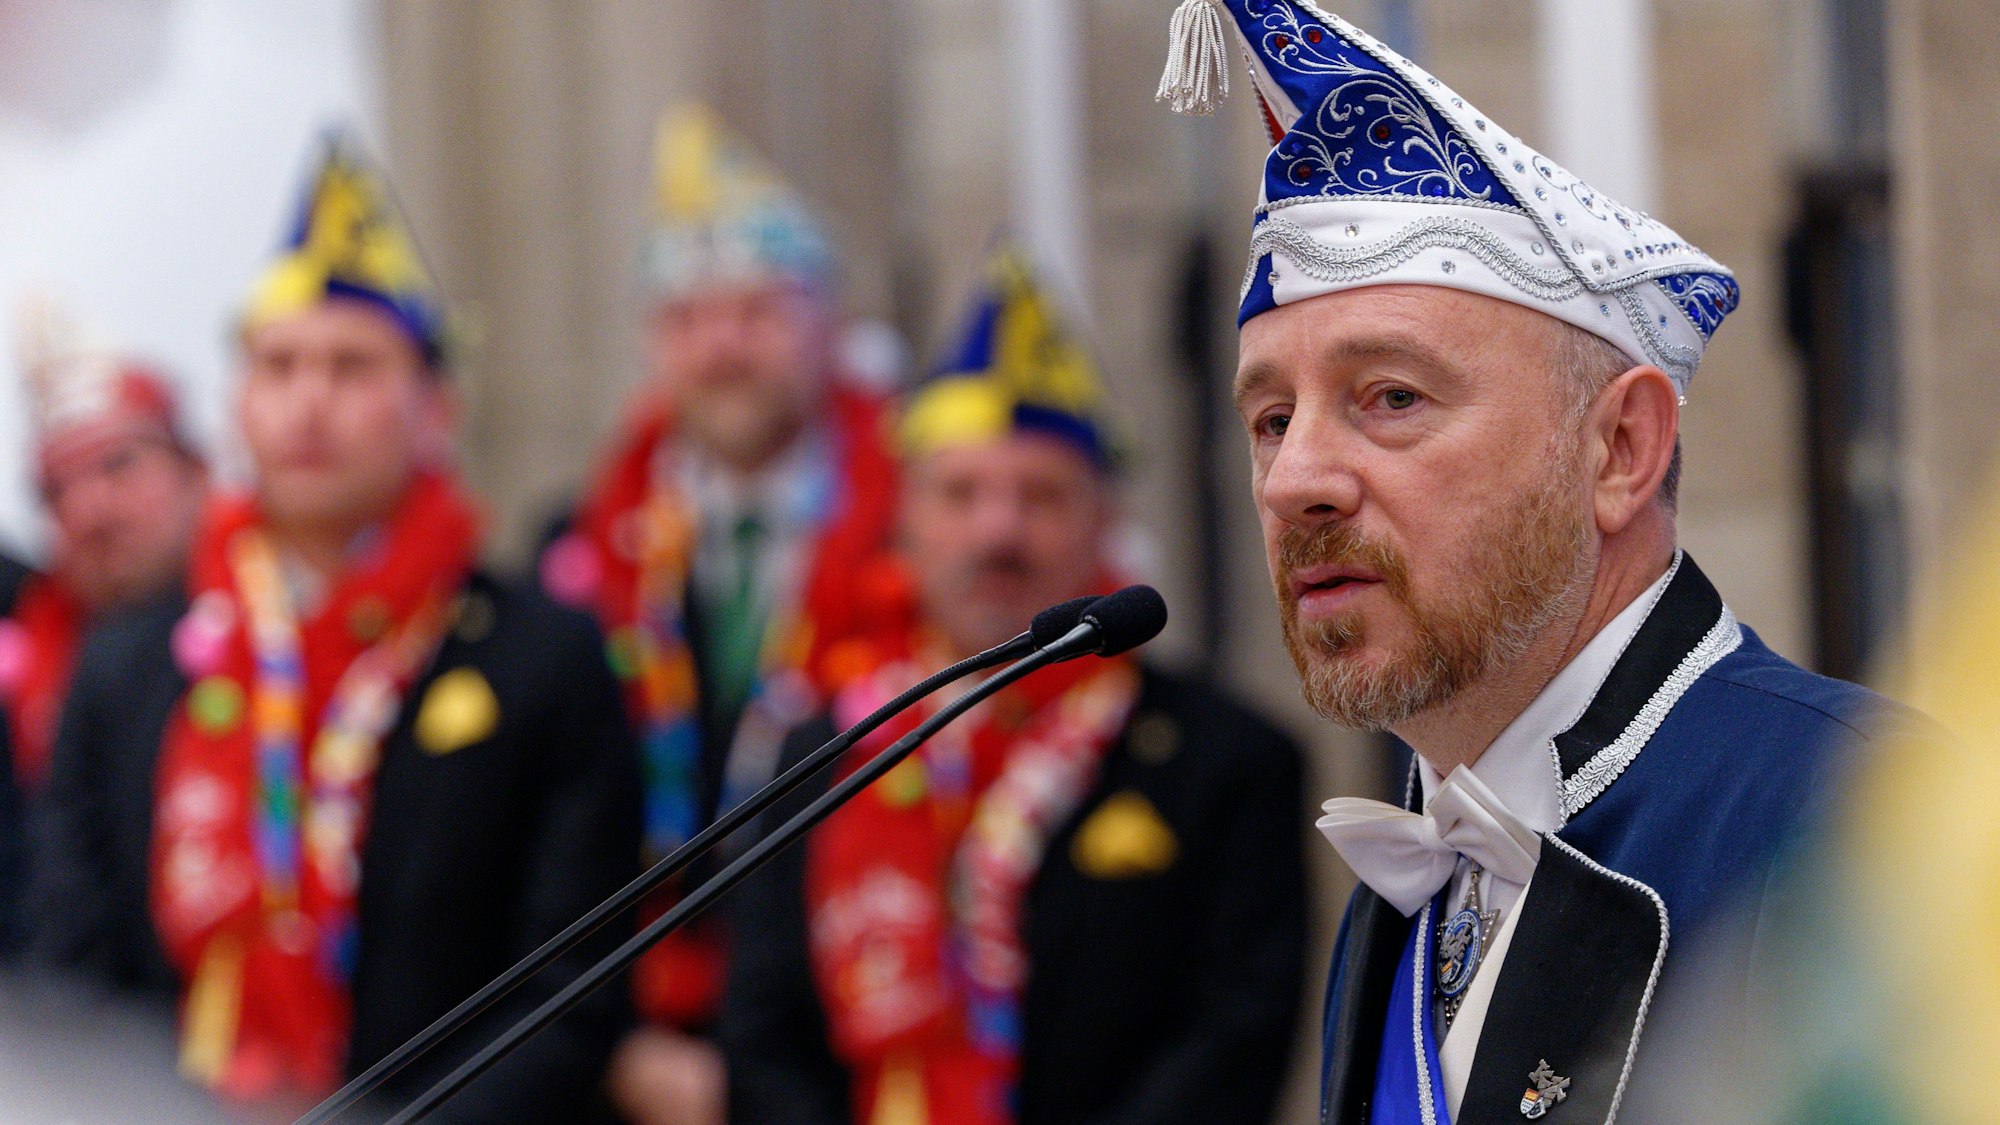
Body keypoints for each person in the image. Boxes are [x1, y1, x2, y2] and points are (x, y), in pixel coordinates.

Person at [1155, 4, 1888, 1122]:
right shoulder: (1415, 875)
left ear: (1618, 450)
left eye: (1389, 398)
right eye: (1266, 417)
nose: (1292, 478)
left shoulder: (1854, 824)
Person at [32, 134, 640, 1121]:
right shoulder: (133, 663)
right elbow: (73, 958)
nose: (309, 401)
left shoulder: (540, 654)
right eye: (279, 367)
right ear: (238, 407)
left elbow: (569, 992)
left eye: (352, 367)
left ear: (434, 405)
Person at [721, 248, 1308, 1125]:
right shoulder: (826, 752)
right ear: (906, 521)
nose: (999, 530)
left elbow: (1232, 1043)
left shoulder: (1226, 761)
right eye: (960, 494)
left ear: (1103, 519)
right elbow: (762, 1038)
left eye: (1041, 496)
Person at [539, 103, 899, 1125]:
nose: (722, 347)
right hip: (638, 1049)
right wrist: (613, 1041)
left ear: (825, 321)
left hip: (853, 1040)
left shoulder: (914, 531)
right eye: (687, 318)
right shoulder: (578, 544)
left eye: (757, 311)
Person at [0, 301, 207, 957]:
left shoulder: (272, 627)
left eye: (118, 465)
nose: (89, 509)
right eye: (57, 491)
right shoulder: (34, 652)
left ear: (196, 473)